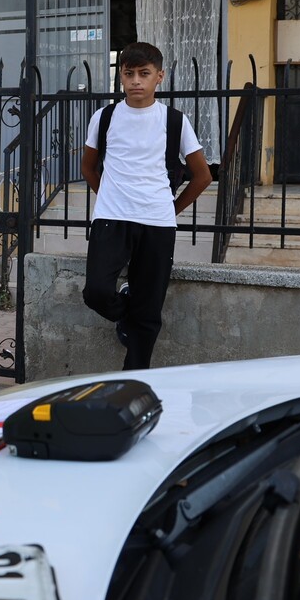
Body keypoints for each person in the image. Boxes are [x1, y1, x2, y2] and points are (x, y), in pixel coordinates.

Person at [80, 41, 212, 370]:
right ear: (120, 78)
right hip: (111, 219)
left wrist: (171, 209)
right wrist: (109, 194)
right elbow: (87, 166)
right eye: (129, 74)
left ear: (159, 77)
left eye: (144, 73)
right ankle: (125, 308)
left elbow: (202, 176)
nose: (136, 81)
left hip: (157, 222)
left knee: (150, 309)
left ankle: (134, 377)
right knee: (96, 291)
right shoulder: (105, 116)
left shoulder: (175, 121)